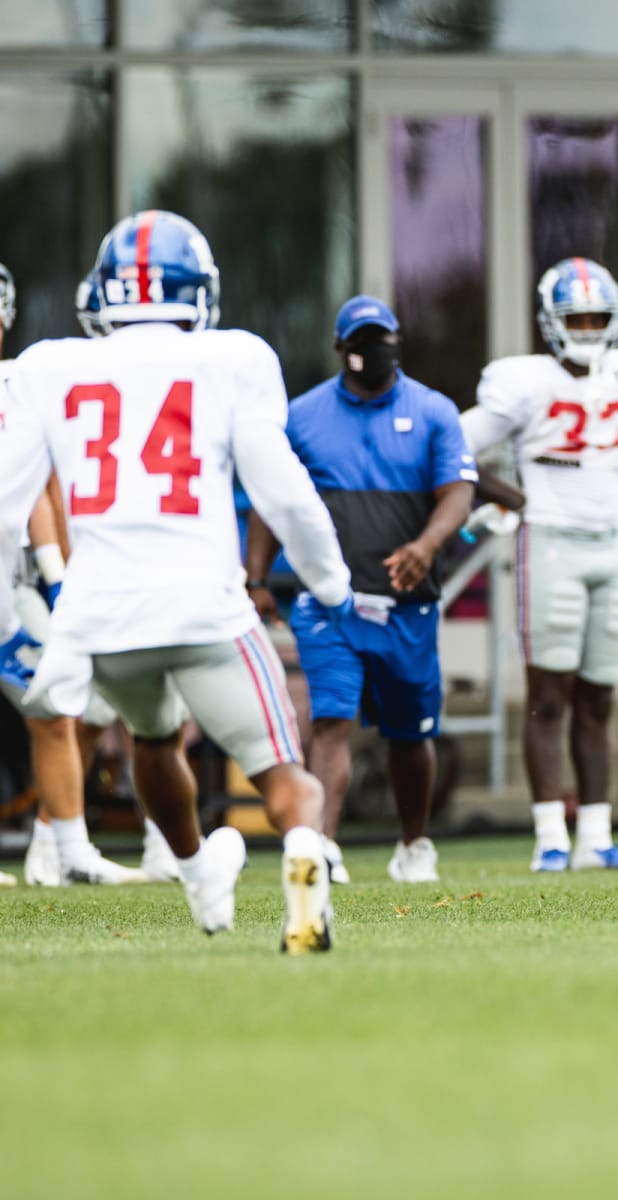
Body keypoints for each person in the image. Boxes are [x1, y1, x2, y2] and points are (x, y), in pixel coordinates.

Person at [4, 210, 353, 952]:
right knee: (287, 781)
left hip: (102, 616)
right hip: (205, 609)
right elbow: (282, 492)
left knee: (153, 743)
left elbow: (8, 501)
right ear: (199, 291)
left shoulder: (47, 366)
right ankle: (299, 853)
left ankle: (198, 877)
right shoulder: (234, 358)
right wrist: (329, 581)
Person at [246, 295, 476, 887]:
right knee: (331, 721)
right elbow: (273, 503)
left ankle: (413, 842)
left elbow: (457, 494)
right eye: (363, 341)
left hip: (408, 601)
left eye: (384, 339)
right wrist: (255, 577)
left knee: (409, 733)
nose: (374, 351)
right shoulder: (302, 416)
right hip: (330, 602)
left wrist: (425, 546)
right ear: (341, 348)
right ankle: (323, 847)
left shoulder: (433, 411)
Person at [461, 257, 618, 872]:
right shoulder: (523, 381)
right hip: (548, 540)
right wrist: (513, 497)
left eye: (596, 317)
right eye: (575, 317)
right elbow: (452, 444)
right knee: (548, 696)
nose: (586, 328)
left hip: (611, 542)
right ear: (550, 322)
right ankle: (550, 837)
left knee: (600, 697)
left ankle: (595, 838)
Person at [0, 262, 153, 888]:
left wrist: (57, 578)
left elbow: (38, 491)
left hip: (11, 585)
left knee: (60, 703)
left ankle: (66, 850)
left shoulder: (17, 385)